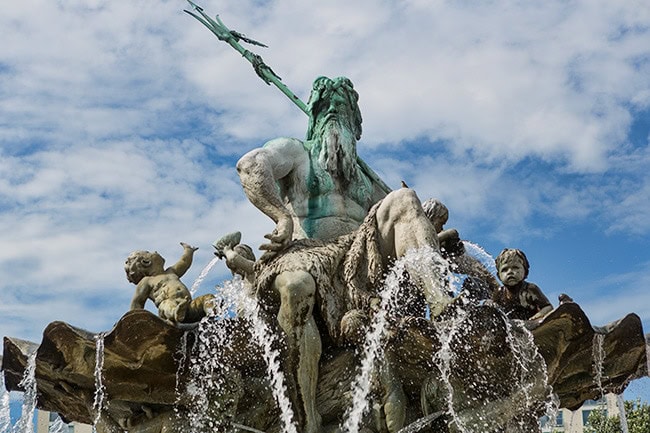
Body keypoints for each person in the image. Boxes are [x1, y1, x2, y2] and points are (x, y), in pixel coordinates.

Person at [237, 76, 442, 433]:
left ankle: (442, 304)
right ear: (313, 118)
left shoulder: (366, 179)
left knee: (406, 200)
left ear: (355, 126)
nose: (334, 113)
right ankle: (305, 417)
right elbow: (251, 165)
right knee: (296, 286)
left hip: (354, 263)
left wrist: (431, 213)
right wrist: (281, 217)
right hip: (303, 254)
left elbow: (408, 220)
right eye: (325, 107)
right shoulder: (296, 152)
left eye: (343, 109)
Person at [421, 198, 499, 297]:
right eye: (441, 223)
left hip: (475, 273)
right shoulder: (425, 236)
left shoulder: (445, 238)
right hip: (436, 278)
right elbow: (426, 243)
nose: (442, 228)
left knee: (477, 280)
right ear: (430, 217)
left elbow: (450, 236)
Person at [125, 242, 215, 324]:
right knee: (166, 305)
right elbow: (137, 303)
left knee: (208, 298)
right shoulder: (147, 281)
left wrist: (188, 250)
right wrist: (133, 322)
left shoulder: (171, 271)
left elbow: (184, 262)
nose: (155, 251)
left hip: (188, 307)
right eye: (149, 252)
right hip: (168, 310)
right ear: (146, 262)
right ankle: (176, 313)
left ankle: (211, 315)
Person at [492, 248, 553, 321]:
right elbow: (493, 309)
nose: (510, 272)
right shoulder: (499, 293)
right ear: (499, 276)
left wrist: (537, 317)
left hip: (531, 324)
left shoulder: (530, 289)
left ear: (525, 272)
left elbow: (548, 307)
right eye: (505, 269)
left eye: (515, 268)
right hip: (511, 327)